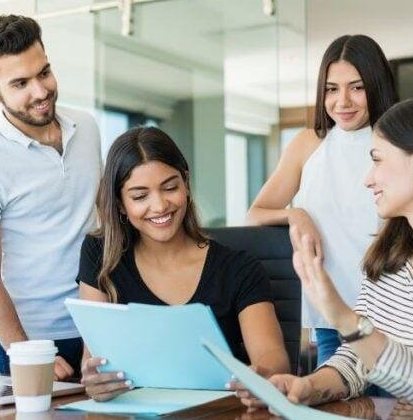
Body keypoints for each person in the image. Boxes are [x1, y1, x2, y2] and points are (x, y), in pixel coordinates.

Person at [233, 96, 413, 414]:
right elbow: (356, 361)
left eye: (377, 160)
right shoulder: (391, 257)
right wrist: (307, 387)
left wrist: (340, 313)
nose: (368, 179)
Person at [77, 127, 290, 401]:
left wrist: (263, 375)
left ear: (186, 184)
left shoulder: (239, 268)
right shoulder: (101, 254)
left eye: (170, 188)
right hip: (131, 416)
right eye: (140, 196)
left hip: (220, 415)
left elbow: (273, 357)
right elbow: (92, 358)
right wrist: (95, 381)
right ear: (120, 204)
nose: (159, 206)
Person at [0, 15, 102, 379]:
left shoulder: (86, 127)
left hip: (95, 327)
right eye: (20, 83)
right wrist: (24, 351)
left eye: (44, 73)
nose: (40, 91)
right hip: (25, 339)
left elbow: (103, 225)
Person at [246, 34, 398, 367]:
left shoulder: (397, 142)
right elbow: (254, 215)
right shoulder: (308, 143)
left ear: (376, 85)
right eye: (331, 89)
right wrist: (295, 214)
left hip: (391, 314)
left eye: (357, 87)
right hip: (330, 317)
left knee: (394, 397)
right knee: (330, 396)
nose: (343, 101)